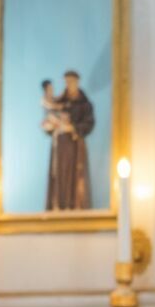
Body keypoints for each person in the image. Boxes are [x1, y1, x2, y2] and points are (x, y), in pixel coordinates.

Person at [45, 69, 94, 211]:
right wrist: (50, 126)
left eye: (71, 81)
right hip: (60, 146)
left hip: (75, 146)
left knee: (75, 177)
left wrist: (73, 128)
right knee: (59, 175)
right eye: (67, 82)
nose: (69, 84)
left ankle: (76, 207)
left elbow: (89, 123)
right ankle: (58, 206)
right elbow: (51, 114)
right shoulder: (60, 101)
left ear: (77, 82)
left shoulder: (84, 104)